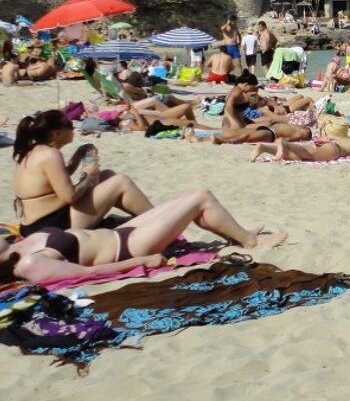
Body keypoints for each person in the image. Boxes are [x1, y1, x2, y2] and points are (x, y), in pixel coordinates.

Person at [0, 190, 287, 285]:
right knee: (201, 197)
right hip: (127, 247)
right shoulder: (28, 265)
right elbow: (89, 272)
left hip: (118, 233)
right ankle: (249, 241)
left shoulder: (17, 244)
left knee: (189, 199)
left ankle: (241, 233)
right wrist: (144, 260)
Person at [11, 110, 153, 235]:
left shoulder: (34, 150)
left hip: (35, 223)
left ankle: (143, 216)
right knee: (121, 181)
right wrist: (89, 177)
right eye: (71, 127)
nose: (74, 130)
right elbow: (69, 197)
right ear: (57, 133)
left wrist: (77, 157)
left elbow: (53, 180)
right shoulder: (50, 155)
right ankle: (156, 218)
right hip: (50, 226)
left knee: (106, 175)